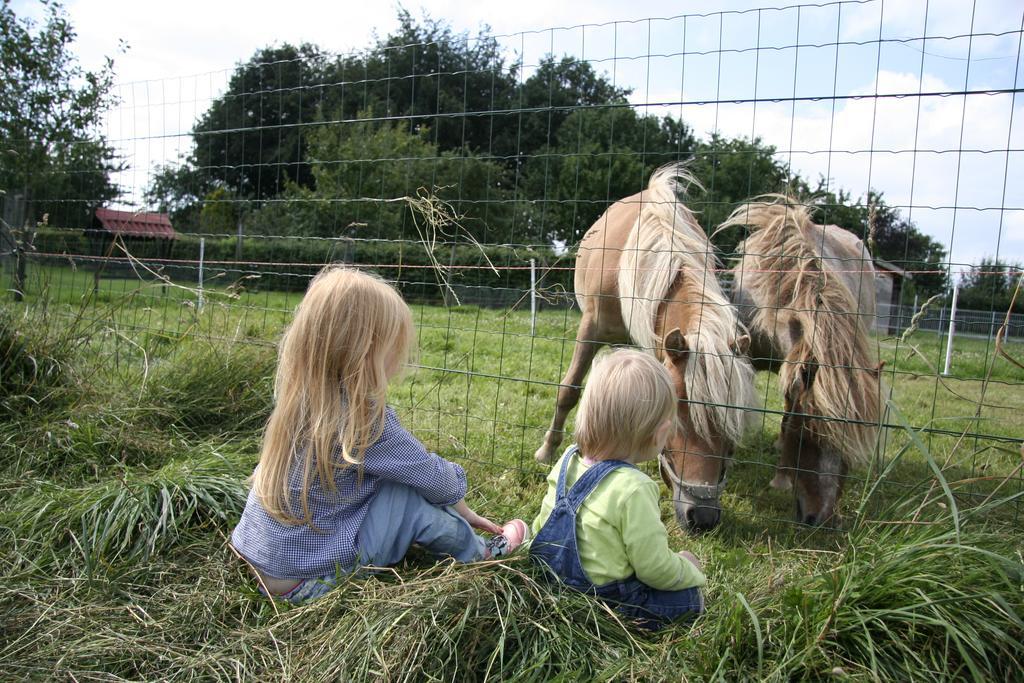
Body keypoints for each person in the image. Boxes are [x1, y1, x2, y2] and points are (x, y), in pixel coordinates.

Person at [231, 266, 528, 603]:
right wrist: (468, 512)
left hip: (260, 565)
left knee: (383, 483)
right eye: (393, 346)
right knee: (403, 496)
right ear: (366, 353)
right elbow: (434, 478)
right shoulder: (364, 422)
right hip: (310, 582)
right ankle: (481, 553)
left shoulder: (298, 402)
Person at [529, 349, 706, 630]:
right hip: (607, 608)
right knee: (686, 596)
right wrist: (690, 570)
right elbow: (654, 570)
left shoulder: (566, 461)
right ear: (659, 434)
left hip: (551, 588)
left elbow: (542, 526)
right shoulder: (634, 488)